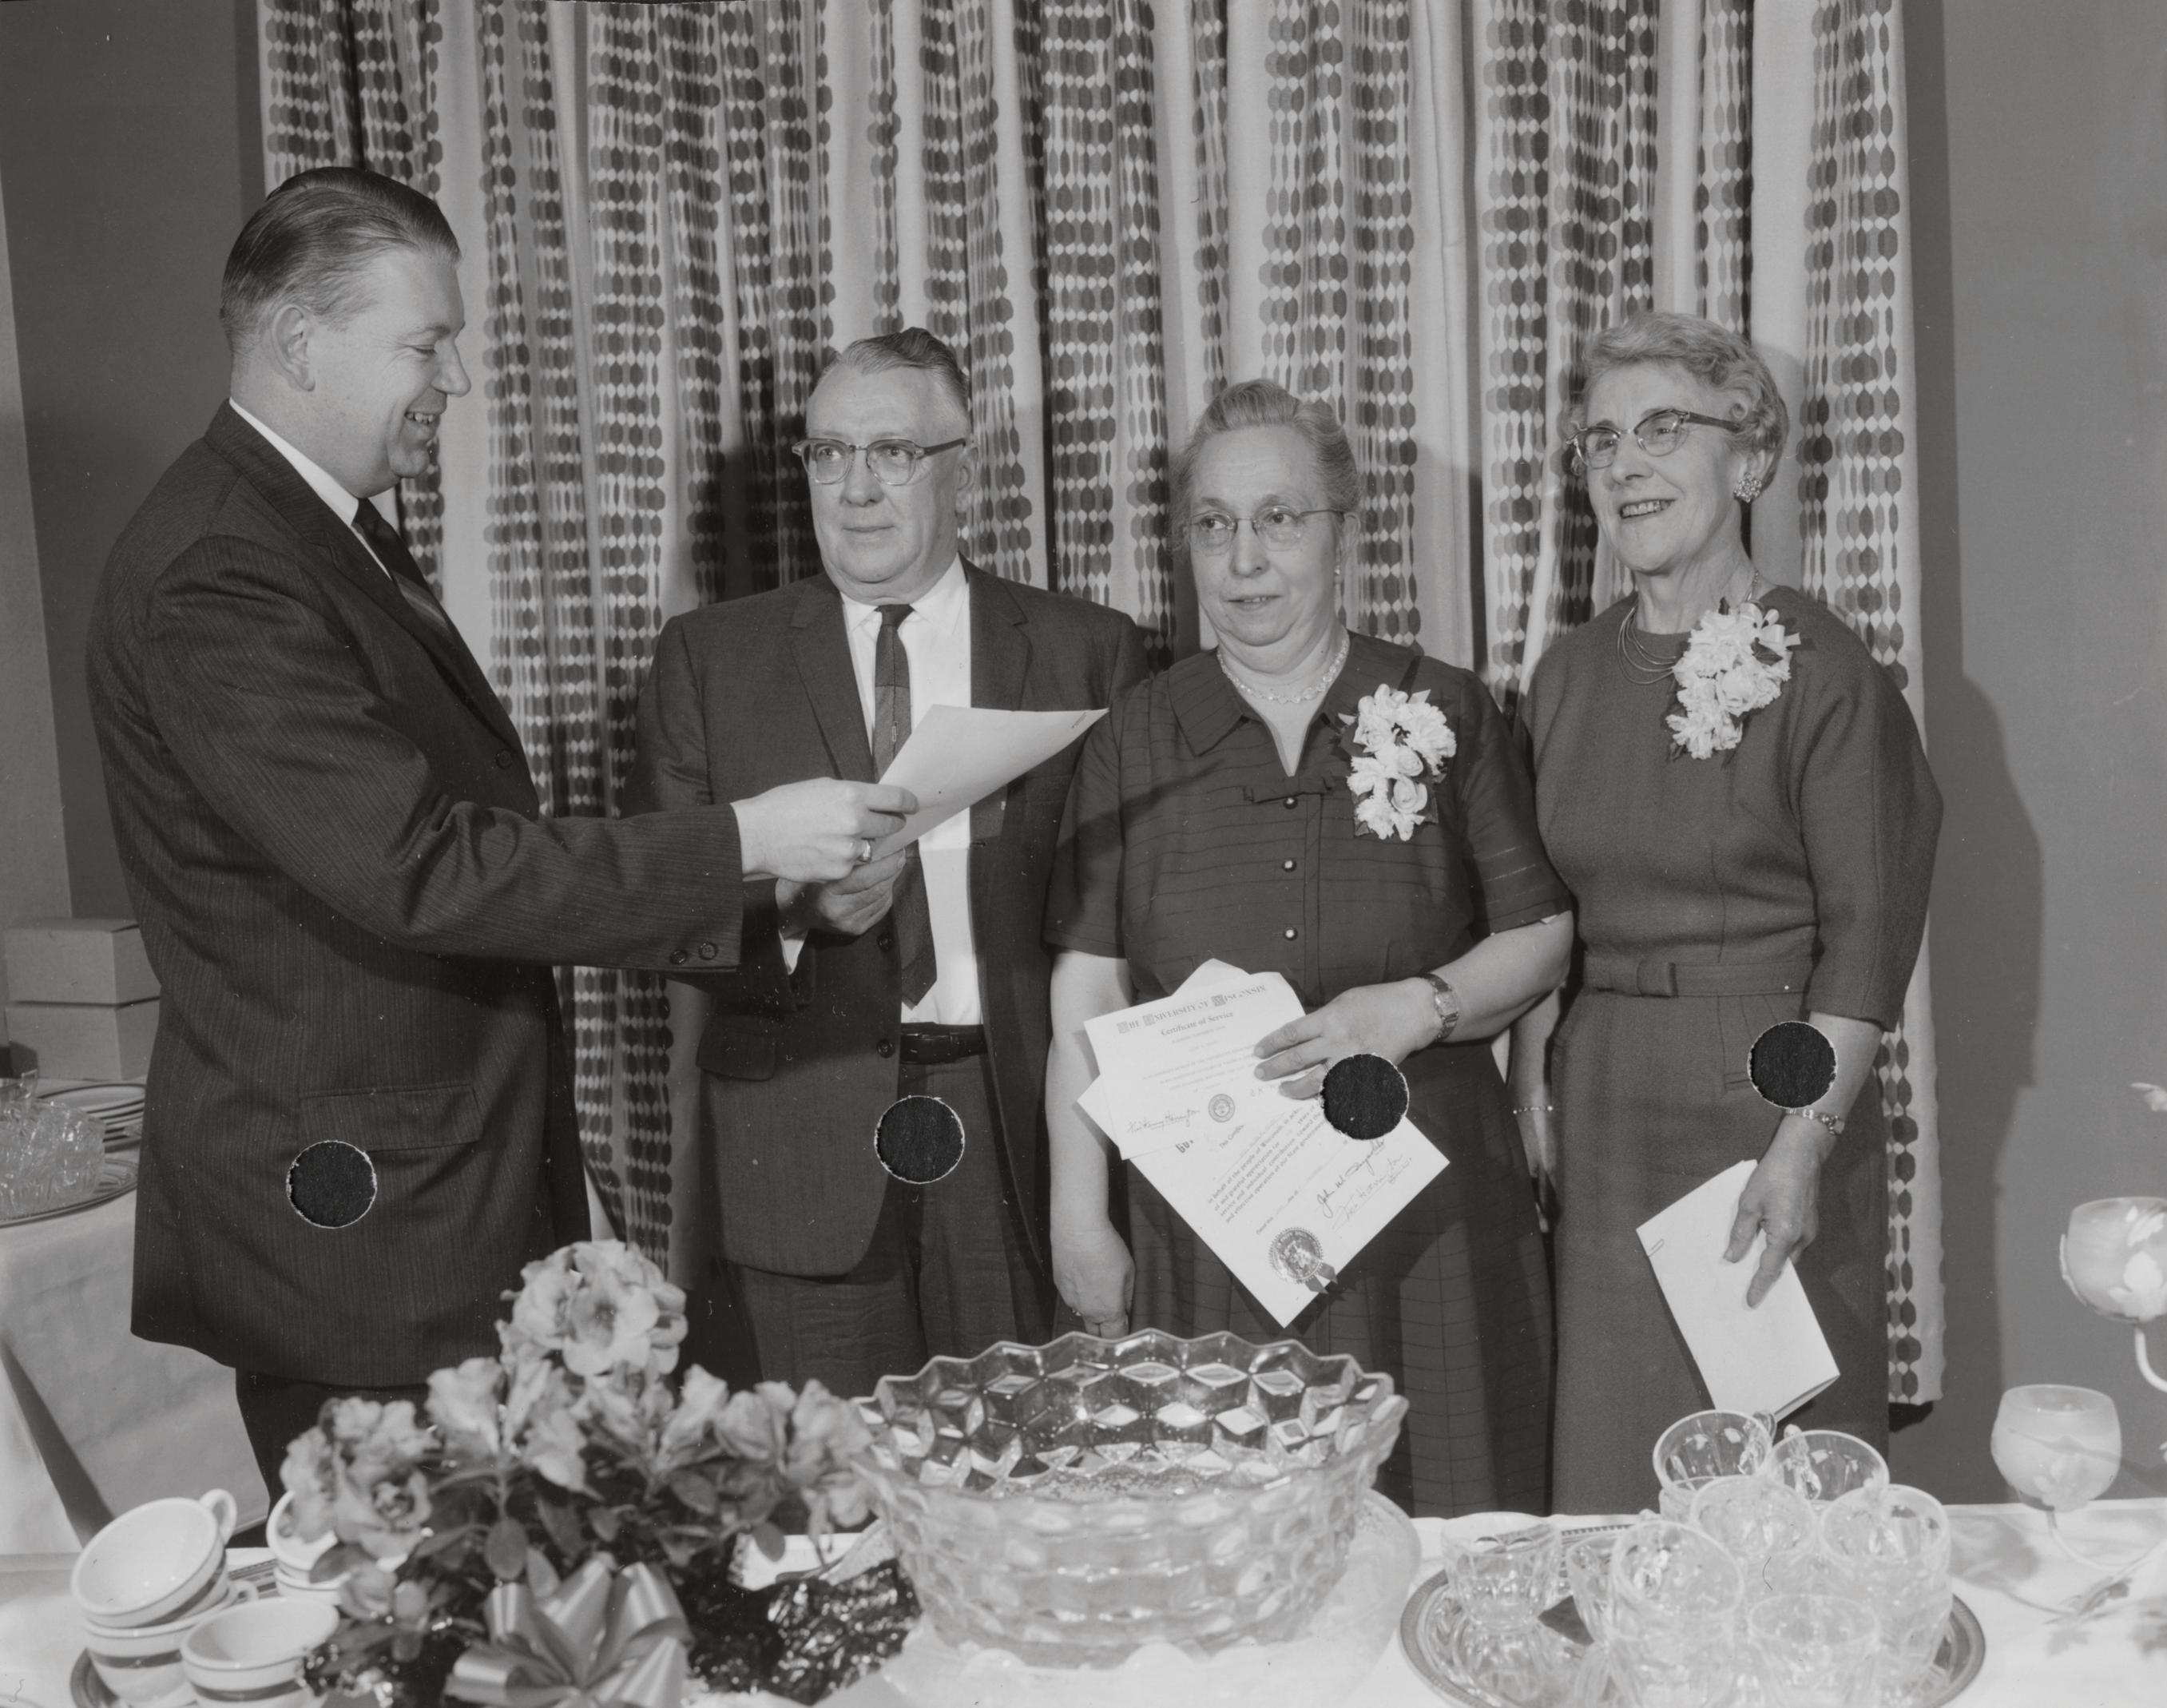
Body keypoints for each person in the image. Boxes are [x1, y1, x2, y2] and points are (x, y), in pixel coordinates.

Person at [84, 168, 911, 1503]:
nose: (456, 379)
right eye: (426, 344)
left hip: (422, 1216)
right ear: (299, 341)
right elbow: (422, 867)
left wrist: (763, 902)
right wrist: (746, 839)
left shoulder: (317, 535)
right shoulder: (222, 569)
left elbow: (463, 858)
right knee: (420, 1597)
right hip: (363, 1254)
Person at [1043, 380, 1573, 1517]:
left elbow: (1541, 933)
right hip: (1214, 1226)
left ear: (1343, 531)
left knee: (1447, 1535)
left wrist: (1419, 1005)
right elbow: (1086, 982)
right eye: (1213, 524)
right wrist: (1077, 1214)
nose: (1244, 559)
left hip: (1429, 1214)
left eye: (1279, 519)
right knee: (1242, 1547)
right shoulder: (1135, 736)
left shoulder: (1442, 707)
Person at [626, 328, 1148, 1400]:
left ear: (965, 468)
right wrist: (791, 914)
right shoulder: (710, 659)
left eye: (894, 453)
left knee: (1019, 1470)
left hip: (1016, 1143)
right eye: (828, 453)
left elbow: (1125, 922)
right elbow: (655, 913)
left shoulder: (1085, 650)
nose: (855, 489)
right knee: (833, 1484)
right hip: (802, 1153)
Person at [1511, 311, 1942, 1512]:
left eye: (1662, 430)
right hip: (1606, 1104)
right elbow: (1541, 914)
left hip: (1773, 1102)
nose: (1625, 465)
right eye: (1602, 441)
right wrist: (1533, 1087)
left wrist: (1800, 1146)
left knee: (1774, 1478)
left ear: (1748, 458)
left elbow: (1867, 941)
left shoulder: (1827, 672)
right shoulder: (1565, 676)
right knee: (1616, 1469)